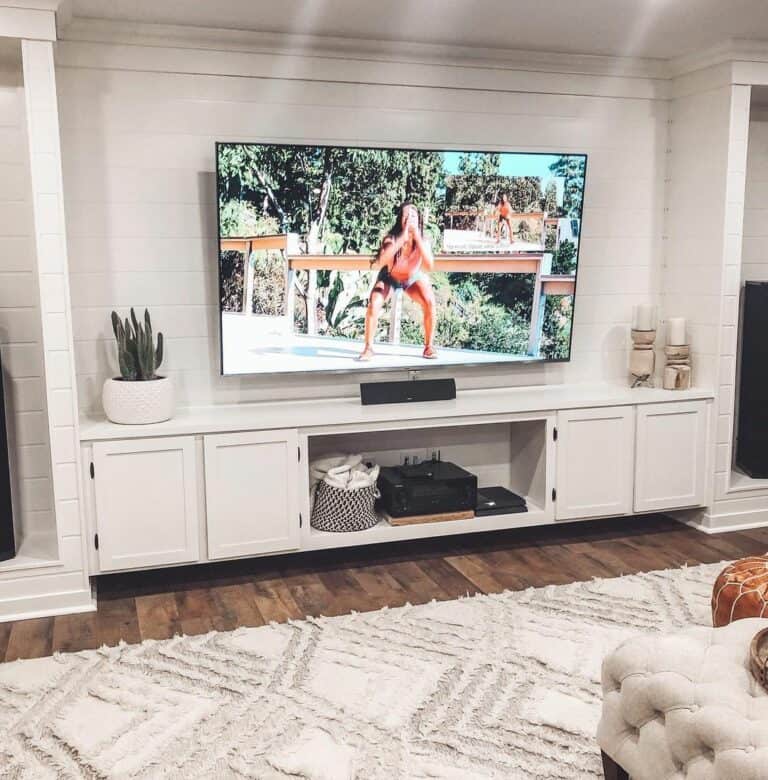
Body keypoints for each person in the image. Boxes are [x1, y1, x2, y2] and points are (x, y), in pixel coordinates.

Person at [357, 202, 437, 361]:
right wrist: (403, 237)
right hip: (390, 276)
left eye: (413, 216)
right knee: (374, 302)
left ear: (419, 219)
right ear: (400, 219)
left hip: (411, 278)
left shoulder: (424, 240)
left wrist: (417, 239)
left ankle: (428, 347)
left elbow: (429, 266)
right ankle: (368, 348)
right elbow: (382, 261)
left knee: (429, 301)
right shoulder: (391, 239)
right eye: (406, 216)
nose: (410, 219)